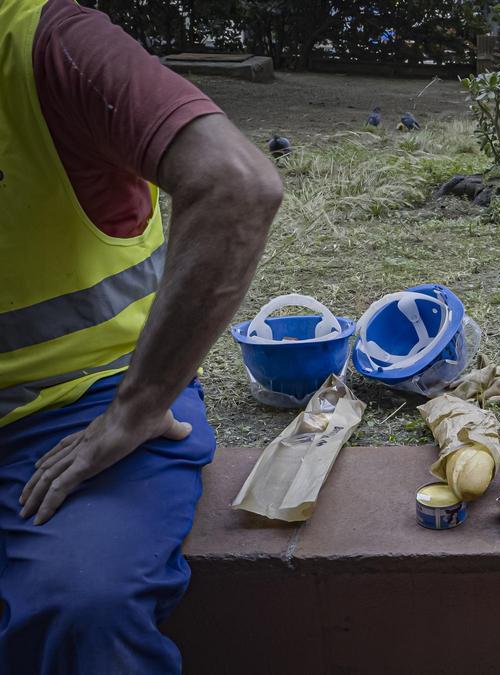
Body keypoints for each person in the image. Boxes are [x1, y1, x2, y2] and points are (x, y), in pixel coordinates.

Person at [0, 0, 282, 672]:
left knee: (80, 606)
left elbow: (236, 184)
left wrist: (140, 402)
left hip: (83, 403)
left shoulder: (49, 45)